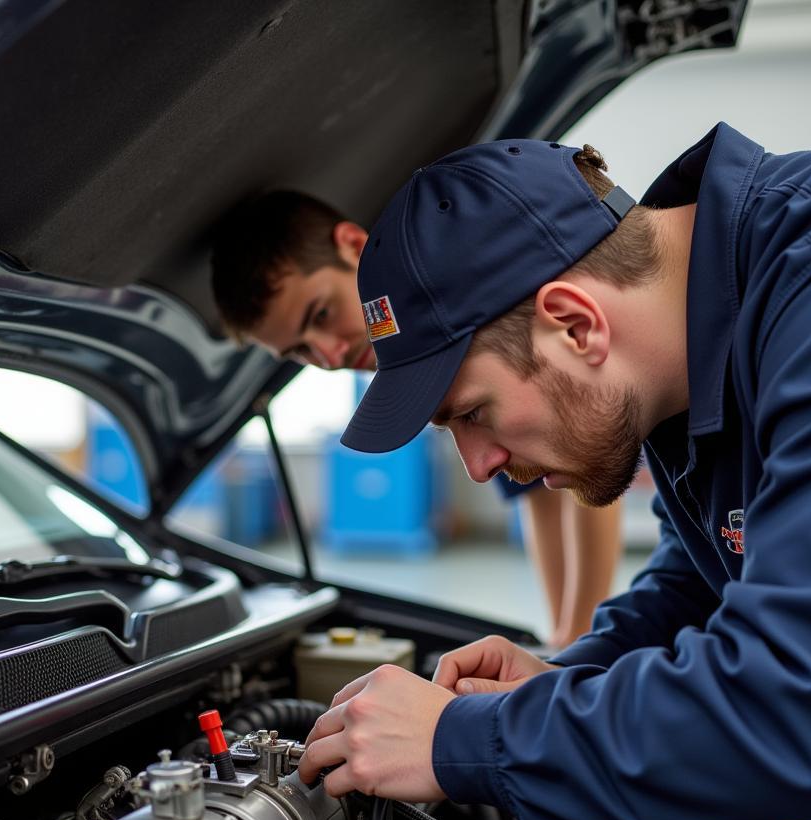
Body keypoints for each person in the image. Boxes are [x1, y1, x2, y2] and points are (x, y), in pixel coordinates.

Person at [296, 126, 811, 820]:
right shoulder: (687, 356)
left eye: (472, 413)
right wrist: (569, 674)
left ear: (574, 326)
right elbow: (707, 579)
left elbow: (808, 723)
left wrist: (463, 740)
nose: (477, 466)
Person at [210, 191, 622, 647]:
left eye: (322, 313)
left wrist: (581, 635)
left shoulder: (470, 297)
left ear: (352, 244)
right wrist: (560, 636)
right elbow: (539, 494)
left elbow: (588, 466)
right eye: (300, 351)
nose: (329, 354)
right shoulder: (414, 361)